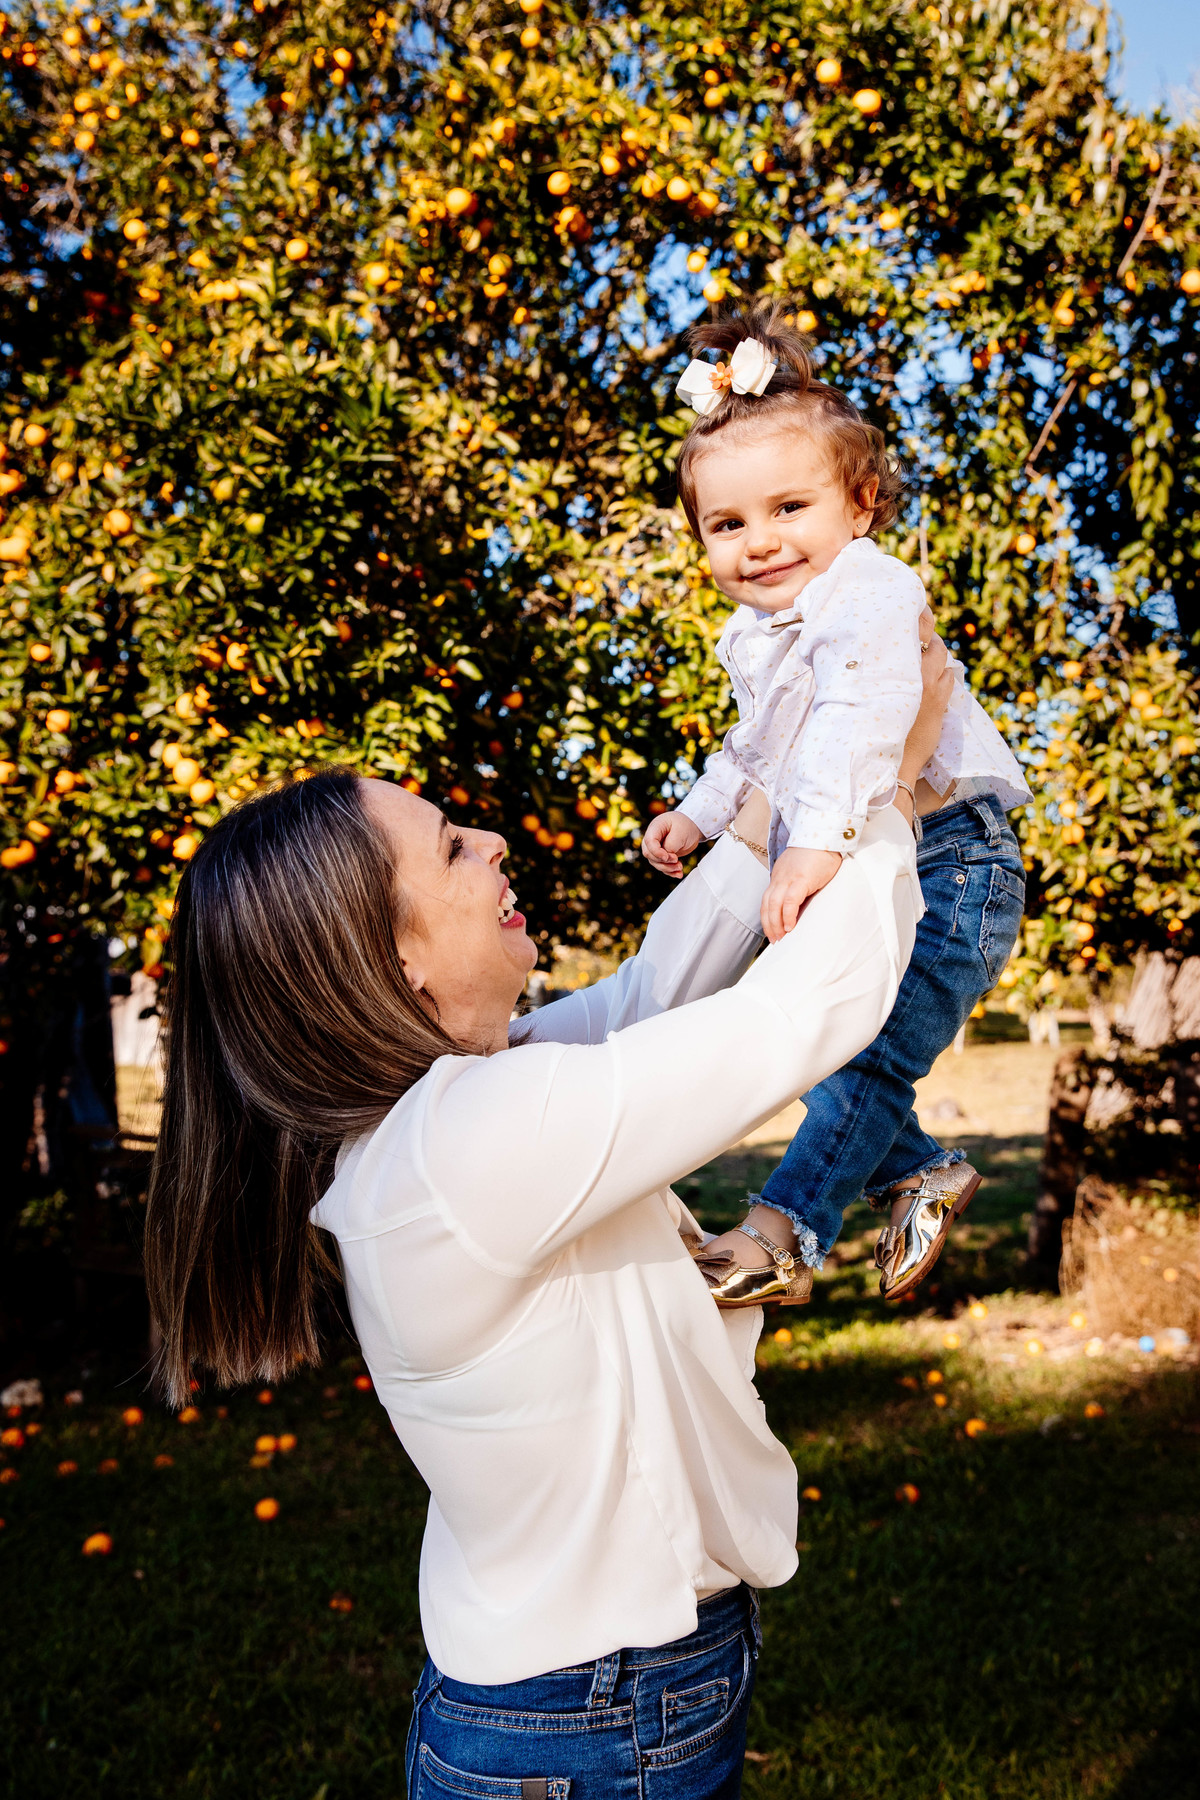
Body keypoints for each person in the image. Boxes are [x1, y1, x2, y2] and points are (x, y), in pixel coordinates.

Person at [143, 644, 949, 1798]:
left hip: (590, 1701)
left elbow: (655, 991)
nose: (495, 844)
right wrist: (883, 781)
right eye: (452, 850)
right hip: (588, 1723)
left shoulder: (445, 1113)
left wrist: (780, 778)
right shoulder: (460, 1147)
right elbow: (792, 1020)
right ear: (397, 959)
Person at [643, 302, 1031, 1308]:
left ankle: (778, 1237)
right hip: (879, 853)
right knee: (816, 1043)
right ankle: (922, 1169)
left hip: (953, 863)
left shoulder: (867, 589)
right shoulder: (763, 636)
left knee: (860, 1059)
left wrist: (810, 846)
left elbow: (864, 716)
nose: (759, 543)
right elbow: (758, 748)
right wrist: (698, 813)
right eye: (728, 525)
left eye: (788, 510)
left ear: (858, 507)